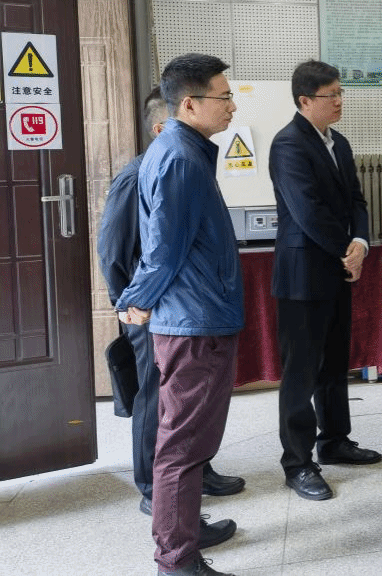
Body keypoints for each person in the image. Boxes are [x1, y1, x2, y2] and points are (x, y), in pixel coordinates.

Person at [97, 88, 245, 543]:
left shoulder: (185, 161)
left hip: (172, 305)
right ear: (168, 124)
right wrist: (129, 306)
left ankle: (188, 494)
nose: (231, 106)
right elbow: (114, 249)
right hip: (155, 309)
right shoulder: (146, 170)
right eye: (222, 96)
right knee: (156, 403)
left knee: (181, 416)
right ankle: (152, 490)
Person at [269, 59, 382, 503]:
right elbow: (307, 211)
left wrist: (361, 243)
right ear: (304, 100)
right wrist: (346, 250)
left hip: (338, 267)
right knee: (301, 371)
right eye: (330, 95)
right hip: (303, 275)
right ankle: (297, 463)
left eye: (340, 93)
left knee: (335, 363)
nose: (339, 101)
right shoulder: (288, 144)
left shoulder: (339, 142)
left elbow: (356, 200)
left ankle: (334, 440)